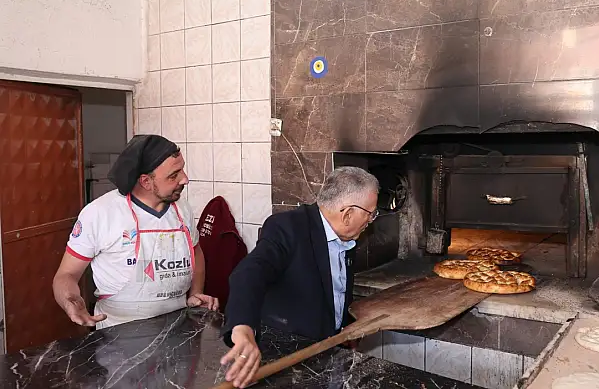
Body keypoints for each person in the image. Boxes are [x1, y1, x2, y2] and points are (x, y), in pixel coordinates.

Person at [219, 166, 380, 388]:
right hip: (287, 356)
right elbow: (249, 273)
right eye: (370, 213)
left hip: (326, 353)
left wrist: (346, 326)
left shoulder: (345, 233)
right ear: (348, 213)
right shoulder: (287, 228)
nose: (371, 220)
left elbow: (336, 288)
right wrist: (242, 327)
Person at [52, 134, 219, 330]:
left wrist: (195, 294)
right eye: (174, 175)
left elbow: (195, 251)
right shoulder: (100, 213)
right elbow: (66, 274)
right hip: (119, 331)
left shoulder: (181, 208)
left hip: (178, 325)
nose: (185, 179)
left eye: (182, 169)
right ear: (146, 181)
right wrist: (70, 300)